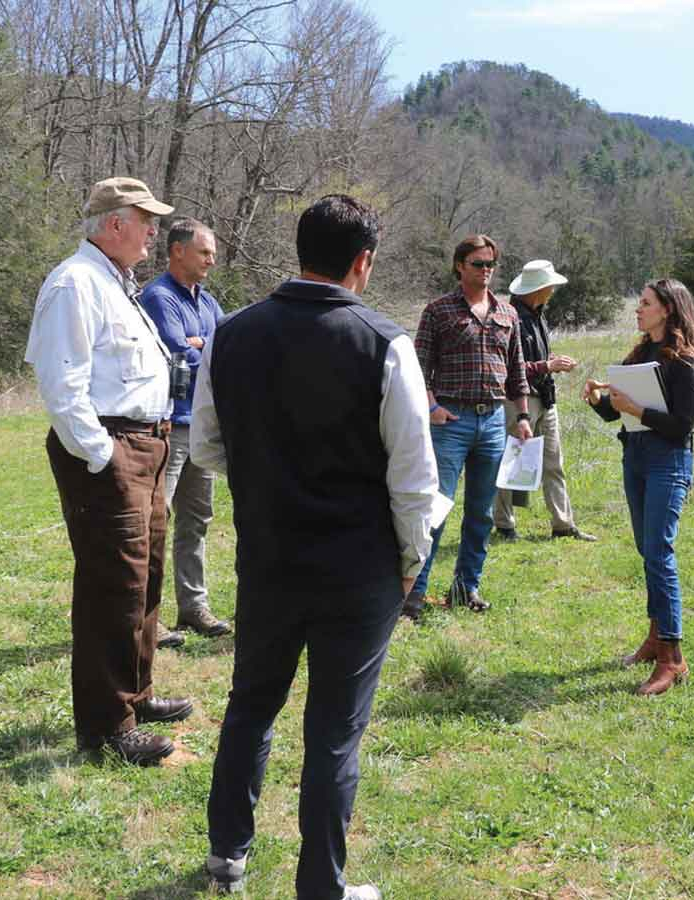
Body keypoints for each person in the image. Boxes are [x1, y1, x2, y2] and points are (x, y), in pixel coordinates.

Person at [192, 194, 438, 898]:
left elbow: (206, 444)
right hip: (357, 568)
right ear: (363, 262)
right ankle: (320, 887)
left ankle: (226, 856)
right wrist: (411, 563)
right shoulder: (385, 342)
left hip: (268, 554)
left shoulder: (230, 334)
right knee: (334, 729)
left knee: (251, 703)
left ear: (301, 250)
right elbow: (414, 479)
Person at [24, 176, 194, 765]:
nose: (154, 231)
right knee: (112, 586)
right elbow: (61, 385)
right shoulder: (75, 283)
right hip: (112, 449)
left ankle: (136, 694)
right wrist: (103, 456)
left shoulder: (114, 283)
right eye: (145, 219)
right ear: (114, 223)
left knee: (143, 580)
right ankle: (106, 729)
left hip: (147, 445)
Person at [582, 278, 694, 696]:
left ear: (668, 310)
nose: (638, 309)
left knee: (660, 552)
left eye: (645, 303)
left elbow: (682, 425)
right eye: (639, 302)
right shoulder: (641, 353)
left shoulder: (684, 361)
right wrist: (598, 401)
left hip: (668, 461)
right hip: (635, 456)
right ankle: (656, 638)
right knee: (647, 549)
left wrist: (636, 407)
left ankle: (673, 659)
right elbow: (615, 414)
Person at [403, 234, 533, 622]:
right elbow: (417, 366)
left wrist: (522, 417)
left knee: (480, 512)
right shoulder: (439, 311)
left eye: (490, 264)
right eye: (478, 263)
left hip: (493, 421)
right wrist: (432, 408)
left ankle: (466, 587)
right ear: (460, 265)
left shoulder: (507, 314)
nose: (486, 270)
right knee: (436, 509)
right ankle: (414, 594)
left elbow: (517, 371)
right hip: (451, 421)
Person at [141, 217, 232, 646]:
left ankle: (193, 607)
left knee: (197, 520)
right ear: (178, 251)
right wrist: (199, 347)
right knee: (154, 522)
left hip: (202, 427)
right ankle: (146, 618)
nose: (212, 260)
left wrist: (201, 345)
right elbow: (180, 354)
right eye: (204, 252)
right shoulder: (159, 297)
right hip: (169, 426)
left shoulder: (206, 301)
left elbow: (225, 348)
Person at [493, 259, 597, 543]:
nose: (552, 291)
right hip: (519, 400)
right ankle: (504, 526)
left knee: (554, 462)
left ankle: (563, 524)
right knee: (510, 461)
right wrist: (546, 366)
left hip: (545, 397)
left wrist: (548, 363)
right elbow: (507, 368)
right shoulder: (509, 317)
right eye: (549, 286)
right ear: (538, 289)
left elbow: (532, 361)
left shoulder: (538, 315)